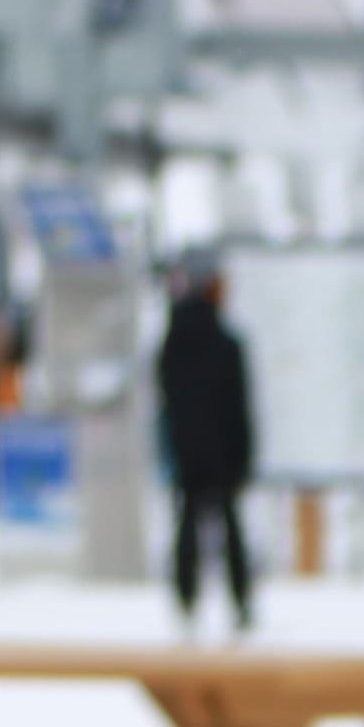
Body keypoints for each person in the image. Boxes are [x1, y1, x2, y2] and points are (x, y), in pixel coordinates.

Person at [153, 266, 256, 635]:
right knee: (230, 530)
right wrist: (244, 456)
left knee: (186, 530)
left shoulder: (172, 345)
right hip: (224, 455)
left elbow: (165, 403)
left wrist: (173, 448)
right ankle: (241, 599)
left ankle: (185, 598)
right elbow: (240, 407)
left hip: (186, 454)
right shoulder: (227, 344)